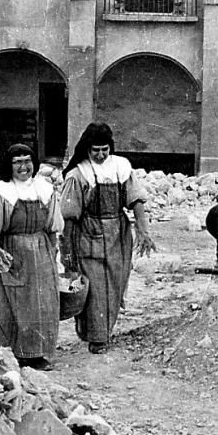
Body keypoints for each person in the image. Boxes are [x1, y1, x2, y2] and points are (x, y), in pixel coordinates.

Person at [0, 144, 62, 371]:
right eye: (17, 162)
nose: (23, 167)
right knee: (9, 303)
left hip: (41, 251)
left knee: (42, 303)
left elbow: (53, 227)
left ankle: (37, 354)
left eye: (27, 161)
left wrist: (54, 253)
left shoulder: (45, 189)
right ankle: (10, 354)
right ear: (9, 165)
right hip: (11, 253)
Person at [60, 123, 157, 354]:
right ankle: (97, 337)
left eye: (105, 149)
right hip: (88, 235)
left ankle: (104, 330)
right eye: (96, 150)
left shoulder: (121, 168)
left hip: (118, 234)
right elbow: (69, 217)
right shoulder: (78, 174)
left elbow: (136, 201)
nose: (101, 155)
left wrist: (143, 232)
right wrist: (68, 252)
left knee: (114, 284)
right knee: (95, 288)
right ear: (87, 149)